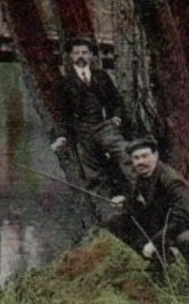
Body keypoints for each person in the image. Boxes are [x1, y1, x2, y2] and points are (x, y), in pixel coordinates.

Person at [102, 138, 189, 288]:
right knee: (115, 221)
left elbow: (183, 217)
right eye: (136, 158)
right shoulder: (142, 176)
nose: (140, 161)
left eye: (145, 156)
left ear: (156, 155)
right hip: (162, 222)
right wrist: (126, 202)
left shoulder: (170, 179)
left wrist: (155, 242)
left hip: (188, 226)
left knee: (185, 240)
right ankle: (161, 260)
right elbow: (144, 204)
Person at [50, 38, 133, 197]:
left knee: (124, 153)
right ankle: (108, 209)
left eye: (84, 52)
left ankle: (141, 195)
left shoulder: (102, 77)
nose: (80, 56)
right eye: (76, 53)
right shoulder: (65, 82)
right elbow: (61, 113)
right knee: (93, 173)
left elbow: (117, 102)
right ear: (71, 56)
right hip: (82, 131)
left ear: (92, 56)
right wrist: (61, 135)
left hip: (104, 126)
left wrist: (116, 118)